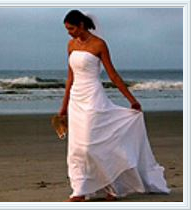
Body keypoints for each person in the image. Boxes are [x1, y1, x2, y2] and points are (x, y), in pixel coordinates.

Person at [59, 10, 170, 202]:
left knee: (90, 145)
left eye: (71, 28)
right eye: (67, 29)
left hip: (93, 97)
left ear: (81, 25)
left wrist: (132, 99)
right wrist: (64, 106)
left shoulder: (99, 44)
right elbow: (70, 78)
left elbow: (113, 76)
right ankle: (81, 189)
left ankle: (112, 187)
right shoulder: (70, 45)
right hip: (77, 99)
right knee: (77, 147)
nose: (69, 32)